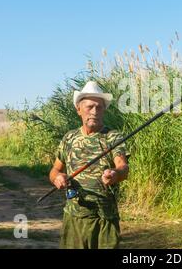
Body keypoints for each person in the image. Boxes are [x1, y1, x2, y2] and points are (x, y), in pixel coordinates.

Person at [49, 81, 129, 249]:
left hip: (105, 219)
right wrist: (58, 177)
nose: (94, 112)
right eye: (89, 107)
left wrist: (114, 174)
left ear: (104, 110)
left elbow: (123, 168)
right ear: (79, 109)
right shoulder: (69, 138)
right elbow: (55, 170)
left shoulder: (112, 137)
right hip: (74, 217)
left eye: (99, 107)